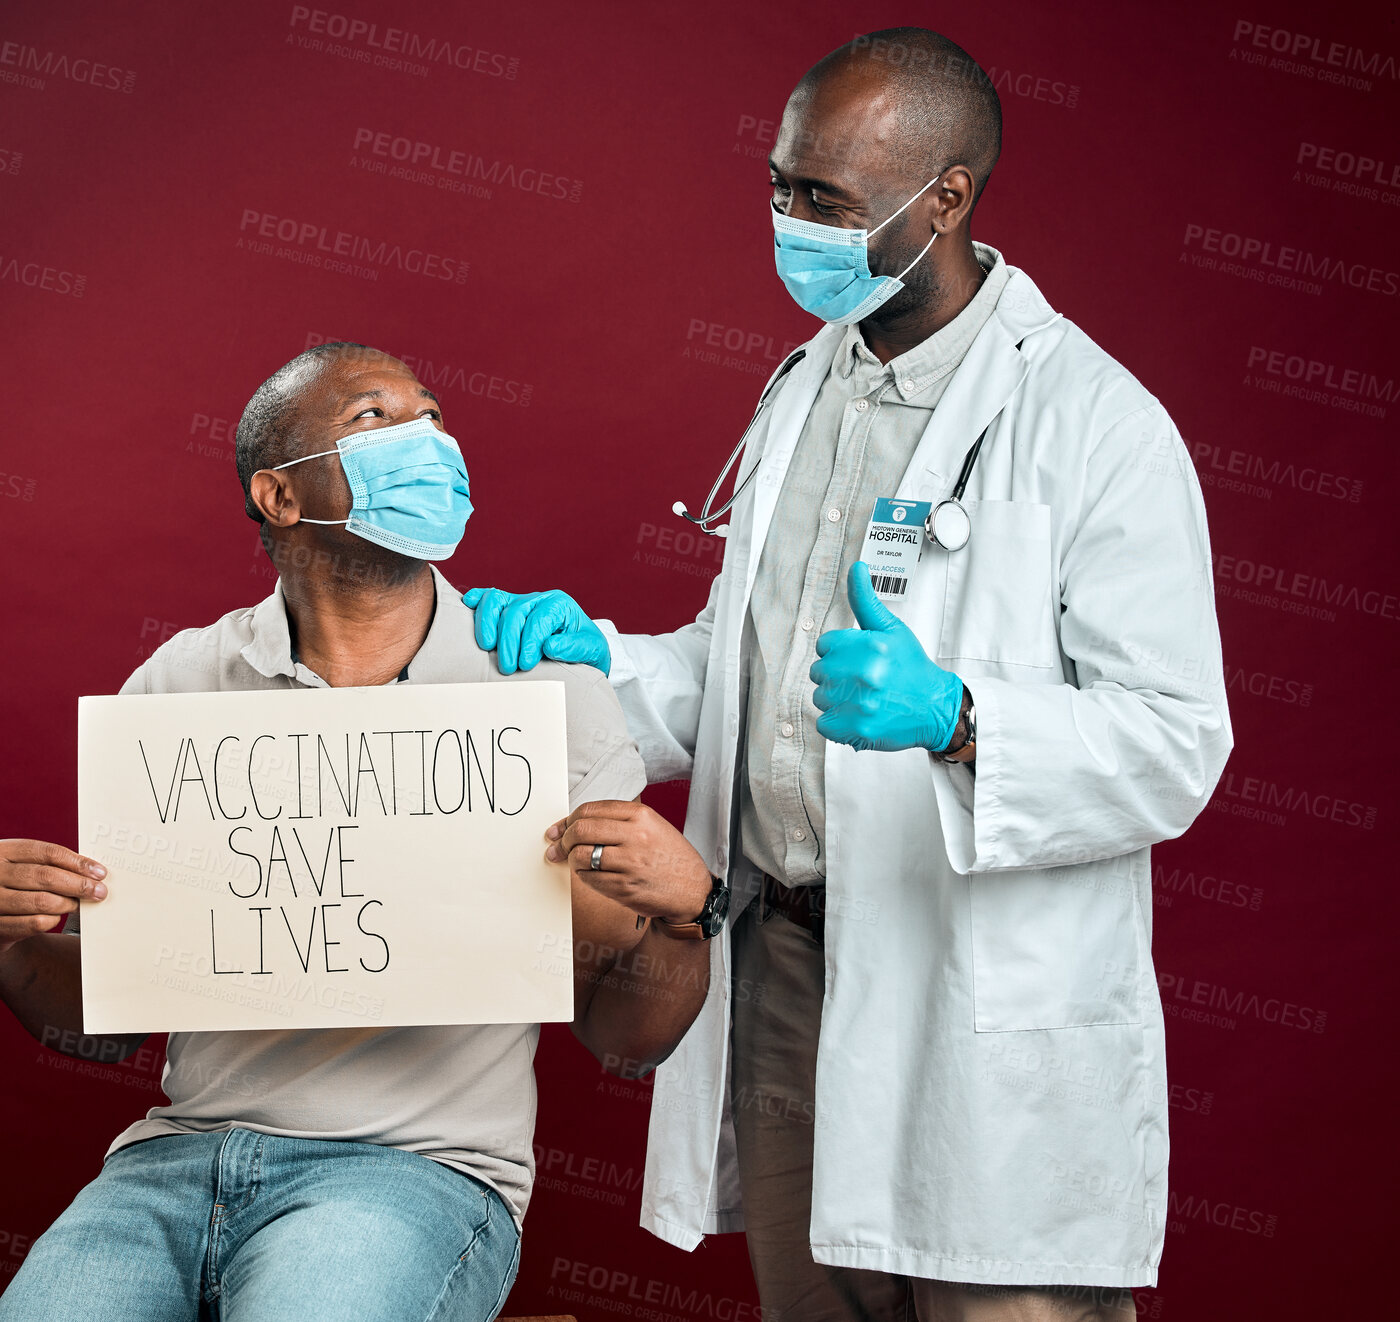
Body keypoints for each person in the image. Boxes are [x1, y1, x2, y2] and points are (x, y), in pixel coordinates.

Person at [461, 27, 1232, 1322]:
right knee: (817, 1302)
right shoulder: (805, 387)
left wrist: (961, 718)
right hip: (779, 961)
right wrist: (606, 661)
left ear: (946, 197)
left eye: (825, 200)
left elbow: (1173, 741)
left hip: (969, 980)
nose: (787, 222)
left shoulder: (1096, 422)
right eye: (779, 184)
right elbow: (744, 680)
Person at [0, 341, 722, 1322]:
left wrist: (683, 919)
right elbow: (104, 1026)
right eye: (375, 419)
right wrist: (0, 939)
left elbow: (623, 1038)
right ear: (280, 496)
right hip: (169, 1163)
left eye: (434, 415)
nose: (429, 439)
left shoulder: (540, 688)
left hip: (413, 1174)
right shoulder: (181, 683)